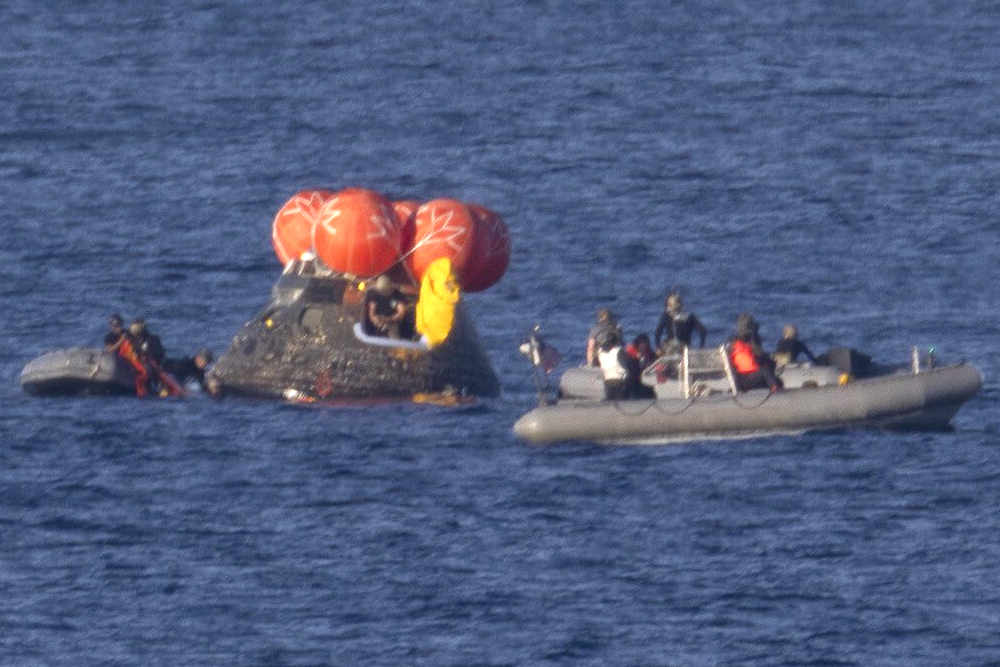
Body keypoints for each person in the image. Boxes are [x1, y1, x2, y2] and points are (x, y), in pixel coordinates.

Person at [729, 312, 783, 393]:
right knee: (766, 369)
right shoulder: (750, 342)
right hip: (746, 377)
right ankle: (773, 386)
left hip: (740, 379)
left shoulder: (732, 342)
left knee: (776, 380)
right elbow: (759, 356)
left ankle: (773, 384)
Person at [623, 333, 657, 399]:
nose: (643, 346)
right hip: (629, 381)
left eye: (645, 344)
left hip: (638, 380)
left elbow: (652, 356)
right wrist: (639, 356)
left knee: (651, 391)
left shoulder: (647, 352)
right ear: (637, 344)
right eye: (642, 344)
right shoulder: (631, 351)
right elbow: (631, 352)